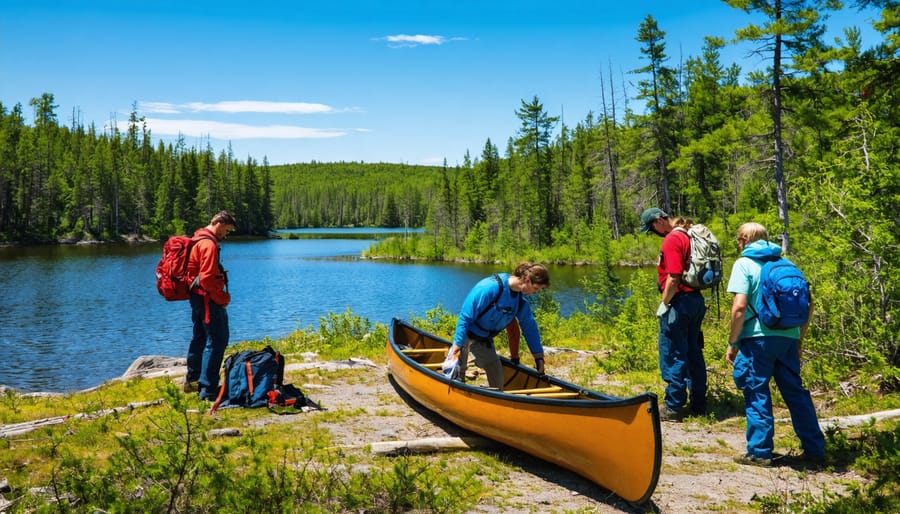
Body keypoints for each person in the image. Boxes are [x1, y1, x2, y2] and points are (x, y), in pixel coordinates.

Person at [726, 222, 825, 467]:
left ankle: (759, 451)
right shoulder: (787, 264)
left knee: (757, 391)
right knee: (796, 394)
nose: (739, 244)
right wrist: (798, 339)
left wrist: (733, 342)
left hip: (757, 339)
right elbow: (809, 305)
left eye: (739, 240)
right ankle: (815, 450)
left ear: (744, 240)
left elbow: (739, 308)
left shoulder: (744, 264)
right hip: (788, 338)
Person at [639, 207, 708, 421]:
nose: (653, 233)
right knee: (693, 351)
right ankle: (699, 403)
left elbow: (674, 276)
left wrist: (664, 302)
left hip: (679, 303)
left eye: (652, 228)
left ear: (659, 221)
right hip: (695, 300)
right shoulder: (688, 235)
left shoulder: (672, 240)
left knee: (673, 352)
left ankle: (674, 406)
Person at [447, 262, 550, 389]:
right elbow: (465, 317)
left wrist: (538, 357)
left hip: (484, 339)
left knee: (496, 372)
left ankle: (495, 402)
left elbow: (530, 328)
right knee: (457, 374)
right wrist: (457, 345)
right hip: (466, 334)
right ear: (527, 280)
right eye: (536, 289)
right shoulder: (490, 288)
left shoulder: (520, 302)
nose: (536, 292)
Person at [183, 211, 236, 401]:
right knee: (218, 340)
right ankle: (208, 390)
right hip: (207, 298)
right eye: (226, 230)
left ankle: (193, 380)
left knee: (200, 337)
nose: (226, 234)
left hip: (196, 296)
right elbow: (206, 279)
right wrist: (222, 298)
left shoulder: (197, 239)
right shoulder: (209, 244)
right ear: (218, 223)